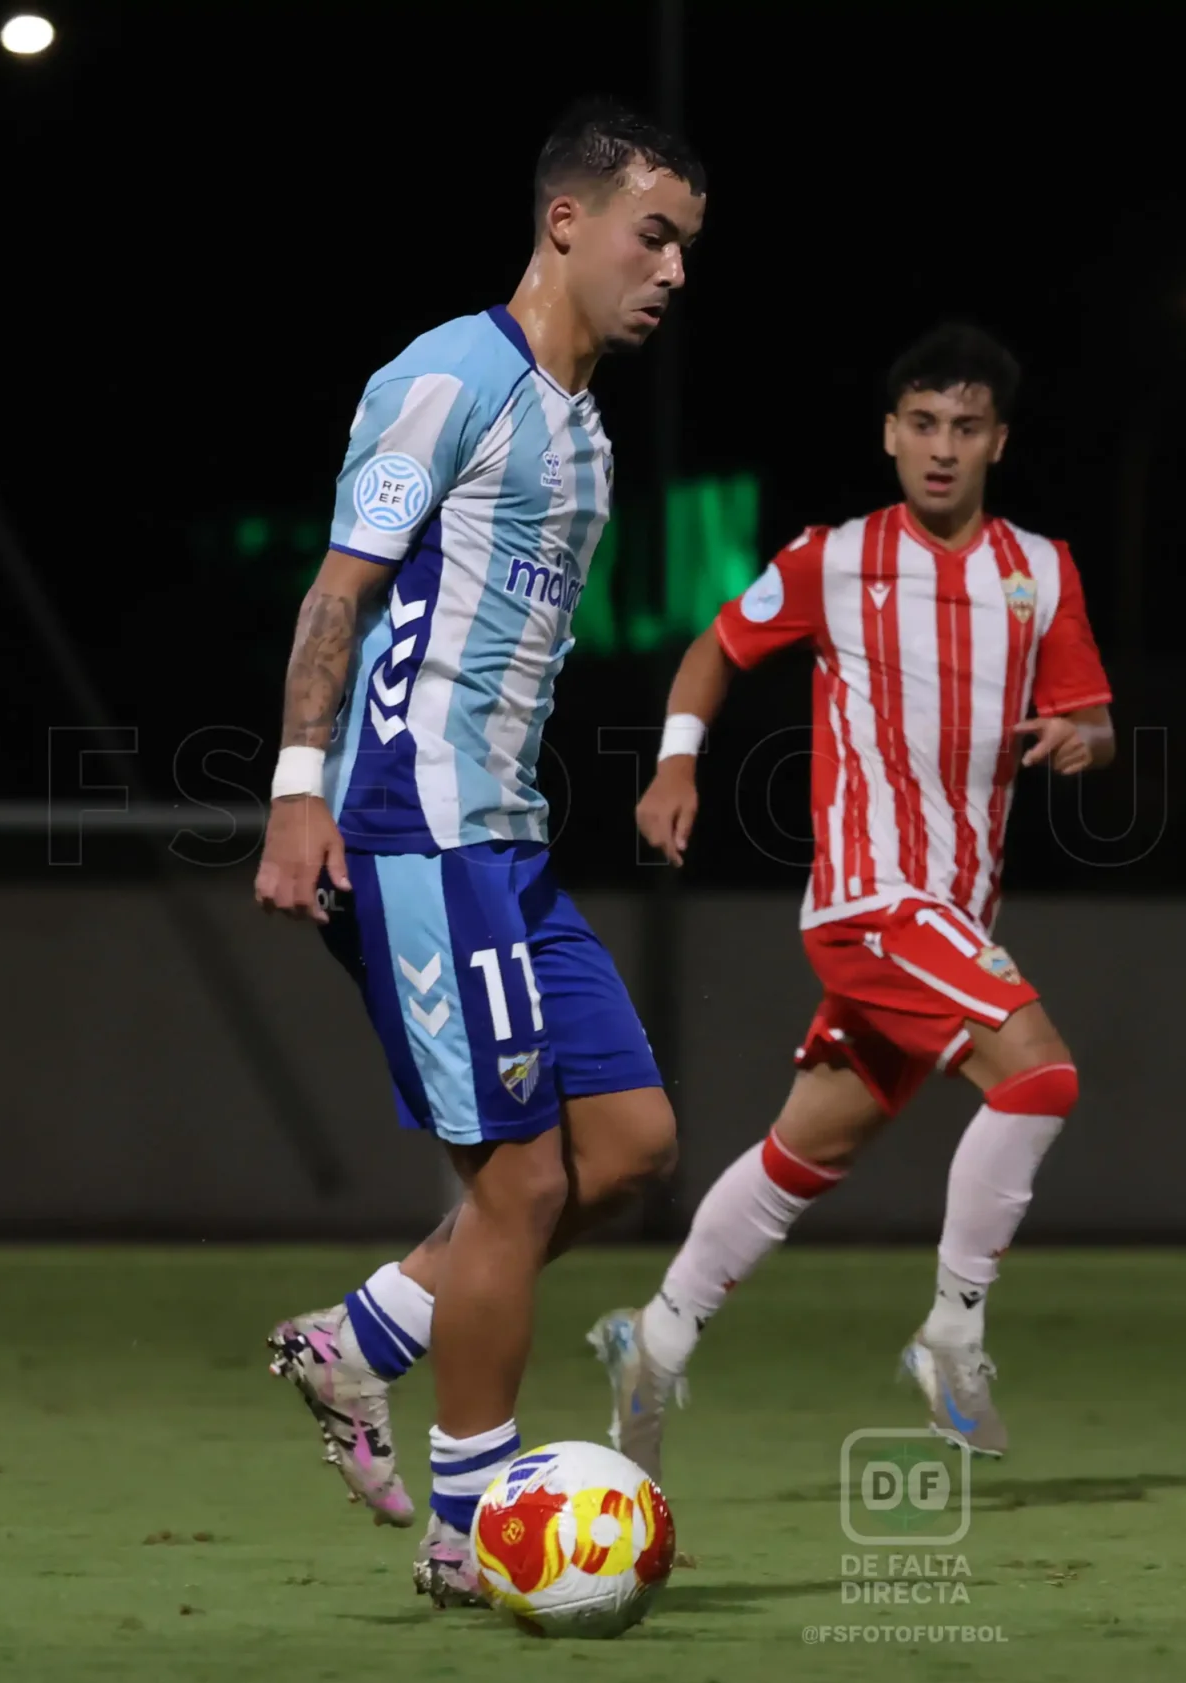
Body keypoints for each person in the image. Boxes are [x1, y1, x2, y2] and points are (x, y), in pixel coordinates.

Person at [248, 99, 706, 1606]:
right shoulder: (451, 379)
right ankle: (468, 1534)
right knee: (516, 1182)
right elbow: (338, 595)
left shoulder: (581, 426)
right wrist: (300, 790)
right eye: (654, 234)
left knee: (628, 1148)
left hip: (505, 842)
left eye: (687, 246)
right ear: (564, 222)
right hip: (416, 829)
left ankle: (364, 1333)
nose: (673, 268)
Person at [587, 323, 1117, 1477]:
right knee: (1041, 1073)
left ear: (998, 443)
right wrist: (677, 763)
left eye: (964, 428)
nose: (940, 448)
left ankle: (654, 1336)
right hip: (871, 901)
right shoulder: (836, 561)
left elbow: (1092, 716)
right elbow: (714, 650)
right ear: (889, 434)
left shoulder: (1042, 569)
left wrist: (1084, 737)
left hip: (952, 918)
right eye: (921, 424)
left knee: (806, 1150)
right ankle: (951, 1335)